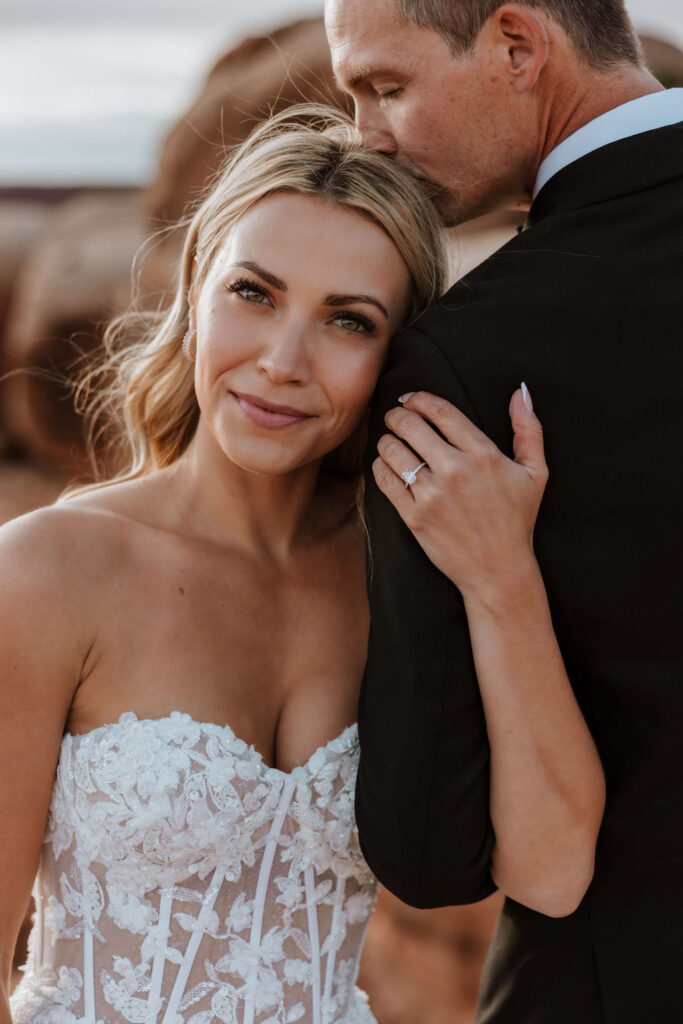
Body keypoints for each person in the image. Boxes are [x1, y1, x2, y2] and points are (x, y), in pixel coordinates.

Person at [0, 106, 604, 1024]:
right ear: (196, 287)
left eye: (348, 322)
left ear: (397, 353)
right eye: (254, 293)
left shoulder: (407, 573)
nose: (283, 362)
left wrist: (501, 579)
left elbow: (554, 874)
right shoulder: (50, 570)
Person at [326, 0, 683, 1021]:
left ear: (518, 47)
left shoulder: (465, 365)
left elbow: (429, 851)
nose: (368, 135)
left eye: (384, 87)